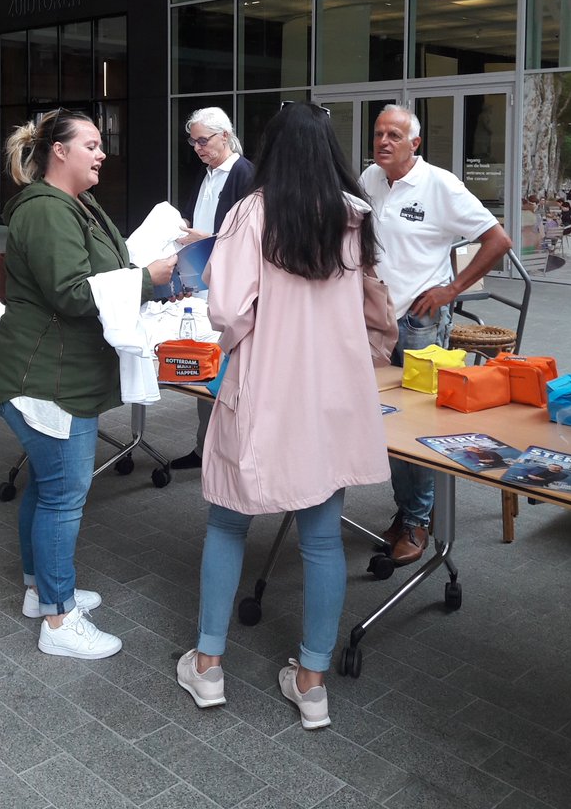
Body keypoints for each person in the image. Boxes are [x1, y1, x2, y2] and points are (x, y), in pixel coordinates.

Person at [175, 102, 396, 729]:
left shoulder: (251, 212)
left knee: (227, 524)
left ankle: (210, 667)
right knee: (323, 541)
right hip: (331, 396)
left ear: (269, 148)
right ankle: (312, 681)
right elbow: (378, 310)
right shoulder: (354, 215)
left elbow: (227, 311)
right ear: (330, 149)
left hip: (263, 387)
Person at [0, 109, 177, 660]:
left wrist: (147, 269)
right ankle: (60, 620)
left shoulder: (73, 204)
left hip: (53, 373)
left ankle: (40, 591)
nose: (101, 153)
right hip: (46, 379)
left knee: (46, 488)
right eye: (91, 144)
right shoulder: (47, 211)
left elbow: (99, 269)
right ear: (58, 152)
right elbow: (71, 292)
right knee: (63, 496)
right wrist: (146, 279)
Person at [360, 104, 512, 565]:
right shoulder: (369, 179)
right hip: (378, 321)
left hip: (419, 324)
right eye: (378, 133)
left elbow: (498, 240)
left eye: (394, 135)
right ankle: (406, 511)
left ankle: (418, 524)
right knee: (387, 423)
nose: (383, 141)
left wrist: (451, 289)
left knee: (418, 427)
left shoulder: (440, 185)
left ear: (415, 143)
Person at [170, 107, 254, 471]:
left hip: (228, 287)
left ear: (225, 135)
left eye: (204, 140)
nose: (198, 147)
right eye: (193, 141)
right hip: (203, 282)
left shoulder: (243, 173)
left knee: (227, 374)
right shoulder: (208, 175)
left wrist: (206, 237)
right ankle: (205, 448)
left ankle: (225, 453)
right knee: (206, 368)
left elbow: (250, 237)